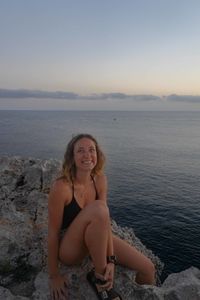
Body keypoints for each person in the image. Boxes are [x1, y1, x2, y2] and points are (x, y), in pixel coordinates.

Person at [48, 133, 155, 300]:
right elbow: (53, 232)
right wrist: (54, 275)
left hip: (95, 238)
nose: (87, 155)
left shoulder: (100, 180)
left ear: (97, 154)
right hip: (70, 249)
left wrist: (111, 259)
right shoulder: (62, 187)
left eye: (91, 150)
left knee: (148, 268)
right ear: (72, 157)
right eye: (80, 151)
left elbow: (104, 222)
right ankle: (101, 279)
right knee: (99, 207)